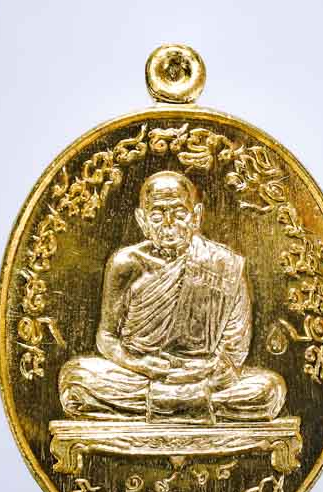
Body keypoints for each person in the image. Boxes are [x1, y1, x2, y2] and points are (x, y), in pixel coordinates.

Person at [58, 170, 285, 423]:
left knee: (269, 389)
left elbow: (234, 349)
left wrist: (206, 370)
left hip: (203, 377)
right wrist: (139, 364)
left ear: (196, 216)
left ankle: (157, 407)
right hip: (141, 375)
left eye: (179, 214)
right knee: (76, 378)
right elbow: (107, 337)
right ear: (142, 220)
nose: (168, 224)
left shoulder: (225, 265)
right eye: (157, 215)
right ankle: (193, 407)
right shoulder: (126, 264)